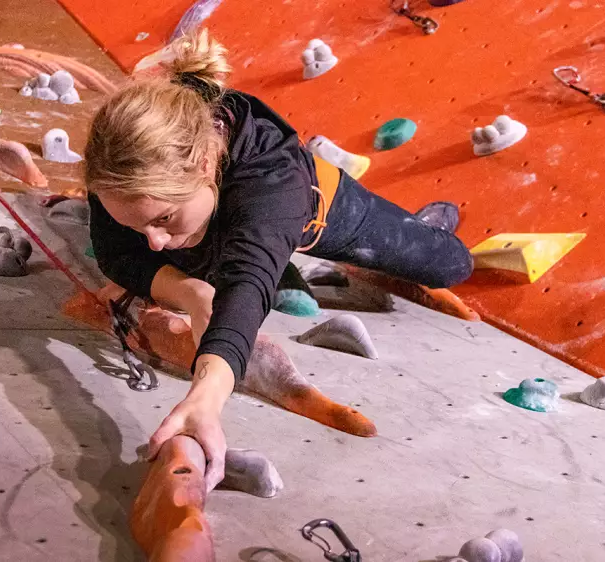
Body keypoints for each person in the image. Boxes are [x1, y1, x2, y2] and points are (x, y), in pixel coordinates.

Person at [84, 29, 473, 491]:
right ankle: (225, 248)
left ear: (205, 167)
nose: (152, 242)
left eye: (163, 218)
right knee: (191, 250)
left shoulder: (272, 186)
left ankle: (422, 227)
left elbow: (245, 291)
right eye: (135, 224)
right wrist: (188, 292)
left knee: (450, 264)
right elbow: (114, 251)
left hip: (315, 206)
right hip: (229, 218)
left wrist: (206, 397)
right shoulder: (119, 167)